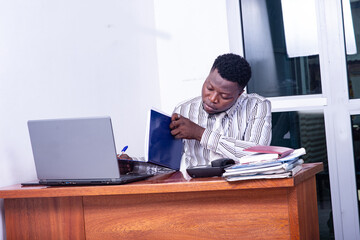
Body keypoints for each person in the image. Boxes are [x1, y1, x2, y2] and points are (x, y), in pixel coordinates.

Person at [169, 53, 272, 169]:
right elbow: (168, 162)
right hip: (197, 185)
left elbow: (258, 154)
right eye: (209, 88)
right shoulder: (184, 109)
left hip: (242, 184)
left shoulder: (256, 106)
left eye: (224, 96)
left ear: (239, 94)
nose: (212, 99)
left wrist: (200, 133)